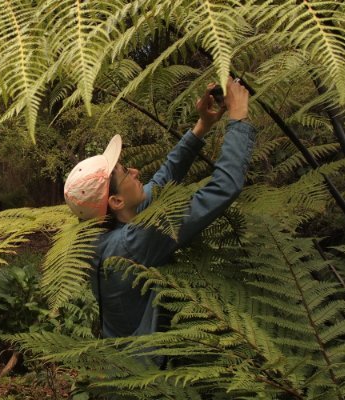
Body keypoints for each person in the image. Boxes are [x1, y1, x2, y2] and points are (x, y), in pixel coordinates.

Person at [64, 76, 256, 349]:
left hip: (118, 356)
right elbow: (223, 188)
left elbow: (163, 177)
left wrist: (203, 125)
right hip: (148, 367)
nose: (135, 171)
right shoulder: (132, 244)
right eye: (125, 172)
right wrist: (238, 119)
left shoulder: (101, 233)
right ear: (117, 201)